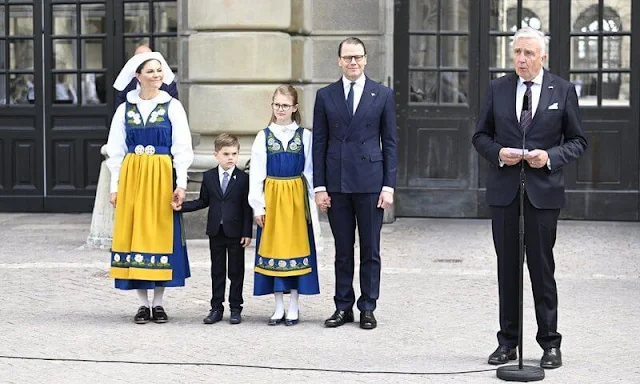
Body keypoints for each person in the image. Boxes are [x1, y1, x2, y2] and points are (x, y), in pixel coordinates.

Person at [472, 27, 587, 369]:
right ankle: (507, 342)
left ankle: (550, 344)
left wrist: (549, 156)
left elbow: (578, 141)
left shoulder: (562, 91)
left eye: (528, 54)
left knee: (541, 269)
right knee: (507, 270)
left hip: (542, 194)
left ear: (543, 57)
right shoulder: (498, 88)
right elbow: (480, 136)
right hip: (505, 192)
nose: (521, 59)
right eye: (517, 53)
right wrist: (498, 153)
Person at [312, 37, 398, 330]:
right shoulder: (325, 96)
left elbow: (390, 143)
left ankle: (368, 307)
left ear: (365, 60)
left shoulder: (382, 94)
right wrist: (319, 186)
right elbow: (319, 143)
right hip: (337, 182)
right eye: (347, 57)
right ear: (339, 60)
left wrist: (389, 186)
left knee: (370, 249)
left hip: (371, 182)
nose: (353, 62)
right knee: (343, 249)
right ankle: (342, 306)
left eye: (357, 57)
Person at [106, 51, 194, 324]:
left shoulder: (172, 106)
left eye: (159, 70)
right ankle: (142, 304)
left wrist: (181, 183)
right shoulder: (125, 109)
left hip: (161, 176)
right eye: (151, 71)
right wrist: (115, 186)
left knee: (159, 233)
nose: (157, 75)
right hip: (133, 176)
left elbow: (182, 147)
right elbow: (116, 150)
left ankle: (159, 303)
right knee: (135, 235)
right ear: (138, 76)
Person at [249, 84, 319, 326]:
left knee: (297, 250)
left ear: (295, 108)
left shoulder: (305, 136)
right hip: (273, 199)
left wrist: (313, 200)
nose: (280, 109)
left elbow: (310, 171)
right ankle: (278, 306)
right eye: (277, 105)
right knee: (275, 250)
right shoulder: (263, 136)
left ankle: (294, 306)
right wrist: (258, 206)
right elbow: (256, 174)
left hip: (296, 200)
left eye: (285, 105)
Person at [173, 133, 253, 325]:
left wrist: (247, 232)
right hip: (216, 231)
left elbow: (246, 207)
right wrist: (182, 207)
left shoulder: (243, 178)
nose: (231, 158)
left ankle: (235, 308)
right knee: (217, 271)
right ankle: (216, 307)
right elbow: (203, 201)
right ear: (216, 154)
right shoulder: (208, 177)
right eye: (226, 154)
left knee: (236, 272)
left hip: (235, 233)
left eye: (234, 153)